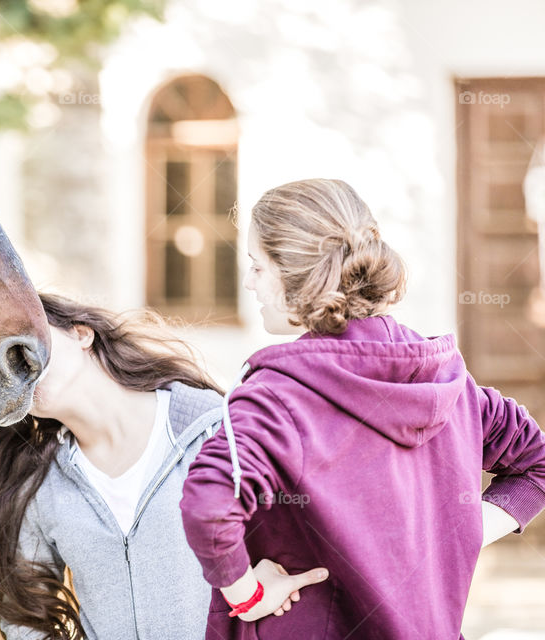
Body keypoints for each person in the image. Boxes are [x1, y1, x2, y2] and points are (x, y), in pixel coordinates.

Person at [180, 178, 545, 639]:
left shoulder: (277, 397)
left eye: (257, 266)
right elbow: (539, 465)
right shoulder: (446, 381)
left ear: (296, 275)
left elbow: (209, 504)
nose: (249, 283)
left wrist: (247, 594)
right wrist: (454, 534)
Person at [0, 293, 326, 640]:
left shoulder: (215, 428)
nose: (17, 366)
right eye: (1, 369)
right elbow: (25, 614)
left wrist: (257, 591)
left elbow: (300, 531)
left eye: (23, 342)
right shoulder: (41, 486)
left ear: (82, 334)